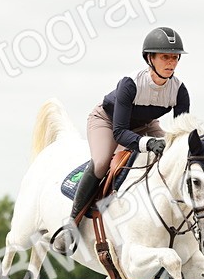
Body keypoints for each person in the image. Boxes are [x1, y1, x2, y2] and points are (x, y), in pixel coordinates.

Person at [53, 26, 190, 254]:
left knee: (171, 159)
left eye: (175, 57)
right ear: (150, 58)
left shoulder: (180, 91)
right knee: (101, 162)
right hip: (108, 121)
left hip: (147, 124)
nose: (171, 62)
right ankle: (71, 225)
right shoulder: (131, 84)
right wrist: (148, 143)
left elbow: (181, 134)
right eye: (165, 57)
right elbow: (120, 132)